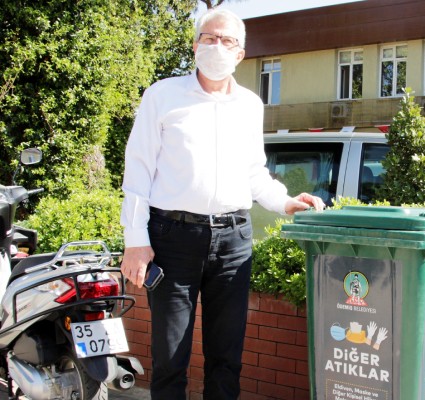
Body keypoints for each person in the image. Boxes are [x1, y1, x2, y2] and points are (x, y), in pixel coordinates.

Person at [119, 9, 325, 400]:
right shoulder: (162, 96)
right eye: (208, 38)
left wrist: (285, 202)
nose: (216, 46)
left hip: (233, 242)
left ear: (240, 53)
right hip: (172, 240)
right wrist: (135, 240)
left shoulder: (249, 104)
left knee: (226, 358)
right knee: (170, 359)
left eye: (226, 40)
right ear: (195, 45)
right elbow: (138, 173)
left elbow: (253, 173)